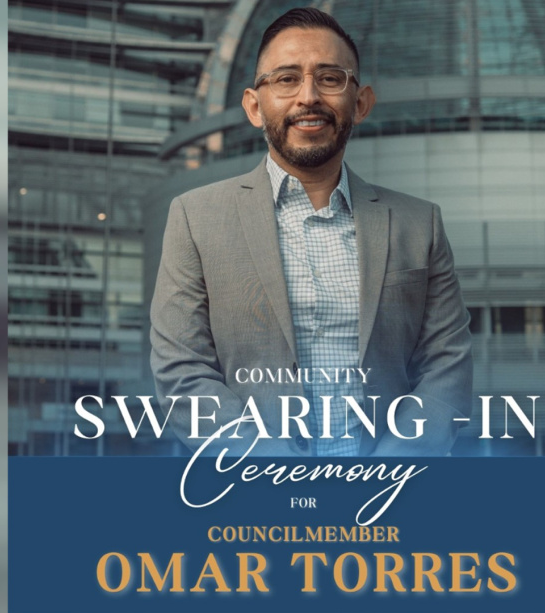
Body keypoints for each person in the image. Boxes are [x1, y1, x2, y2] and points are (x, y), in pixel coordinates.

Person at [150, 7, 472, 457]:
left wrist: (391, 468)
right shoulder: (195, 217)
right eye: (285, 79)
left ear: (360, 103)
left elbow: (446, 365)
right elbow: (182, 371)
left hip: (385, 499)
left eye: (330, 78)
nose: (308, 97)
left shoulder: (421, 225)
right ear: (253, 105)